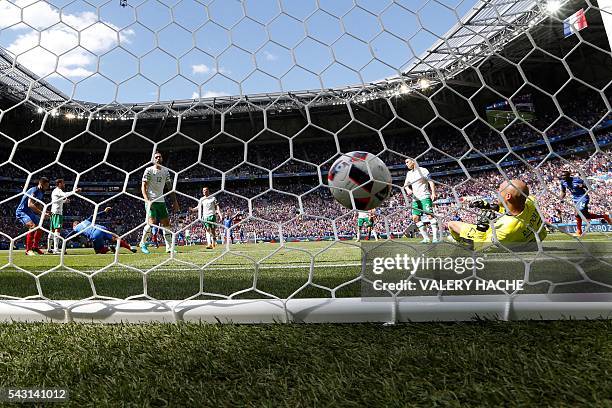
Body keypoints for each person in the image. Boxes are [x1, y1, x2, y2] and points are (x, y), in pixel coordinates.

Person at [447, 179, 547, 248]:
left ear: (508, 196)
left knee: (452, 224)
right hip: (533, 240)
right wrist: (490, 206)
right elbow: (514, 209)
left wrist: (481, 227)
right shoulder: (532, 202)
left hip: (496, 240)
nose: (497, 192)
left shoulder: (506, 228)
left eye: (499, 190)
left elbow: (481, 249)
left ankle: (463, 243)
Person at [139, 151, 179, 254]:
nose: (158, 158)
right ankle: (142, 243)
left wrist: (175, 201)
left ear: (162, 159)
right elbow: (143, 187)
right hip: (151, 201)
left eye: (159, 157)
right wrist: (147, 200)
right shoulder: (148, 170)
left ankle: (169, 247)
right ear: (153, 159)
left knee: (166, 224)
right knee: (151, 223)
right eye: (156, 157)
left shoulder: (166, 171)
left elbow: (170, 188)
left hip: (161, 201)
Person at [66, 207, 136, 254]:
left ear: (74, 225)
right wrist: (104, 211)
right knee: (116, 239)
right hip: (102, 228)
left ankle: (109, 248)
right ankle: (130, 247)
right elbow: (93, 216)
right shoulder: (85, 221)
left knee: (97, 251)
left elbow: (67, 237)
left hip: (95, 234)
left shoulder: (76, 228)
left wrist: (64, 247)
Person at [559, 170, 610, 236]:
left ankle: (579, 231)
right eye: (562, 176)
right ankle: (604, 216)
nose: (562, 177)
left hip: (583, 197)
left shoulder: (577, 180)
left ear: (568, 175)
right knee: (586, 215)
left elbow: (588, 187)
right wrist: (561, 198)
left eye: (564, 176)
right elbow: (563, 191)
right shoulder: (563, 182)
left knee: (578, 213)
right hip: (575, 199)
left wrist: (583, 185)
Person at [404, 158, 439, 243]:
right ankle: (426, 238)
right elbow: (405, 185)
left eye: (407, 162)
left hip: (424, 197)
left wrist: (433, 193)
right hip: (415, 199)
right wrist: (408, 189)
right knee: (415, 218)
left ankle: (435, 238)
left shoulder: (423, 170)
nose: (406, 164)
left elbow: (430, 181)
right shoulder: (409, 173)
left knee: (430, 216)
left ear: (413, 161)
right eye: (405, 162)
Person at [15, 177, 50, 256]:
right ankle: (28, 250)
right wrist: (42, 213)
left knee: (40, 228)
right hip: (22, 212)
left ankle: (35, 247)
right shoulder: (34, 190)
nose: (47, 188)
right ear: (41, 184)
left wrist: (46, 211)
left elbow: (37, 204)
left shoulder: (41, 192)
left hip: (30, 212)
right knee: (32, 226)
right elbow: (30, 204)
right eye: (46, 186)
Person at [47, 179, 81, 254]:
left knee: (52, 231)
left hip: (53, 212)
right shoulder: (58, 190)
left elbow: (57, 200)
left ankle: (49, 249)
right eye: (63, 183)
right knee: (57, 230)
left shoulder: (55, 191)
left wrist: (64, 201)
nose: (64, 185)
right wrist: (74, 191)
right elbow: (65, 194)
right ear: (59, 184)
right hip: (57, 213)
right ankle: (56, 249)